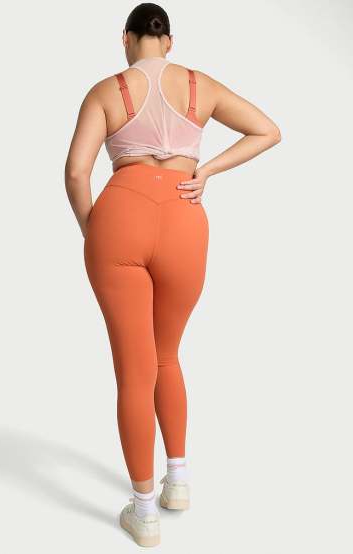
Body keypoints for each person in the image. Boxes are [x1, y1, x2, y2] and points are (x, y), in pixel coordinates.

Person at [65, 2, 281, 547]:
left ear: (126, 38)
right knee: (167, 356)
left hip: (121, 216)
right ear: (169, 41)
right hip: (185, 218)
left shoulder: (106, 91)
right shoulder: (199, 85)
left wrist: (95, 231)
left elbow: (76, 172)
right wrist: (206, 170)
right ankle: (178, 480)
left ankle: (143, 511)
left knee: (134, 370)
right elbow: (267, 130)